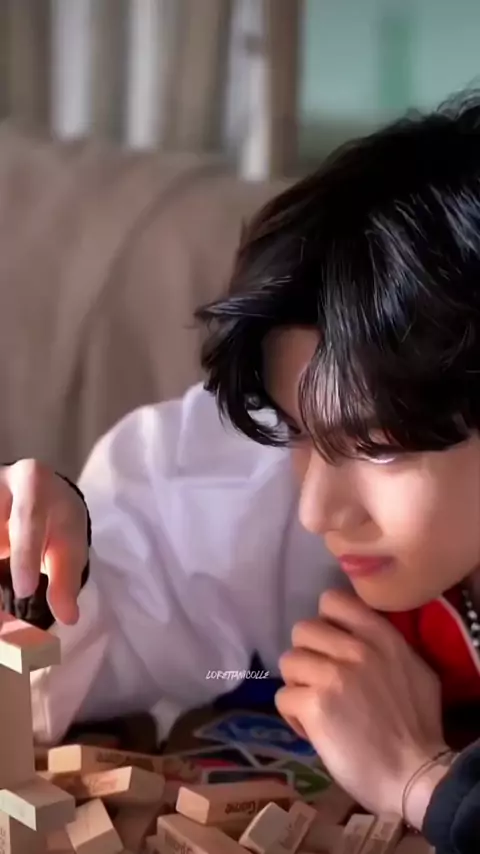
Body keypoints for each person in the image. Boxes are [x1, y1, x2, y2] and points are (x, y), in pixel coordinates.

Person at [2, 91, 480, 851]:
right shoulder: (254, 481)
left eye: (379, 446)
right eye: (299, 433)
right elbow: (137, 594)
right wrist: (50, 568)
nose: (320, 512)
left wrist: (423, 779)